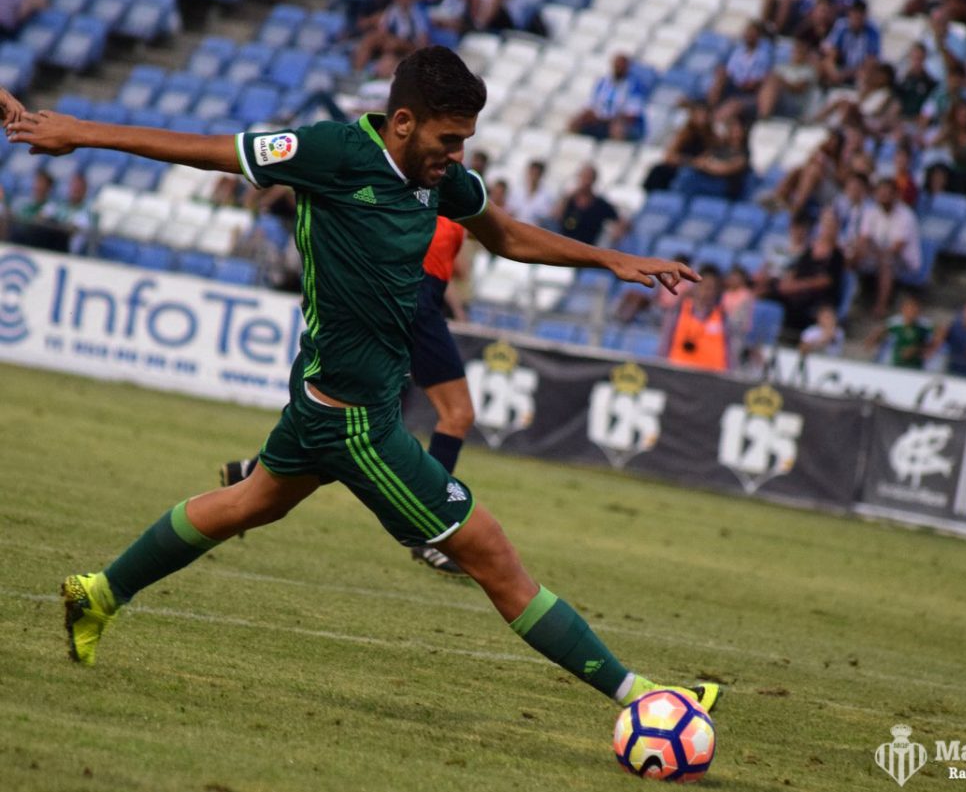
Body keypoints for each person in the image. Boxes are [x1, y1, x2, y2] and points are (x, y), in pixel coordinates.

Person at [5, 49, 718, 716]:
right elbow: (210, 150)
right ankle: (648, 699)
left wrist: (612, 259)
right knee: (493, 556)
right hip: (354, 420)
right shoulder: (333, 154)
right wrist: (79, 132)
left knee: (248, 500)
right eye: (448, 138)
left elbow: (506, 236)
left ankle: (97, 593)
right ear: (402, 122)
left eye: (466, 140)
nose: (458, 155)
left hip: (327, 395)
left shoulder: (442, 182)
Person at [220, 216, 476, 576]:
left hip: (416, 296)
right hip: (414, 298)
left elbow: (452, 266)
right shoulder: (433, 186)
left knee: (363, 425)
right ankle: (429, 535)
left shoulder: (433, 187)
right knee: (452, 414)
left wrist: (457, 305)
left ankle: (253, 470)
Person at [854, 177, 922, 317]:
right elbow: (864, 239)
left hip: (903, 261)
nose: (883, 196)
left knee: (887, 261)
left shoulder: (906, 215)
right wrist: (859, 252)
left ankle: (881, 306)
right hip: (877, 254)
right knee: (851, 255)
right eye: (880, 193)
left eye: (887, 193)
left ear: (895, 195)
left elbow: (896, 248)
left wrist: (875, 253)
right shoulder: (871, 212)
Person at [661, 264, 730, 372]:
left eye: (712, 288)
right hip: (677, 372)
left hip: (712, 378)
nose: (708, 292)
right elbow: (665, 343)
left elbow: (730, 352)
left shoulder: (724, 318)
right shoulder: (678, 311)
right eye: (705, 286)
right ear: (695, 287)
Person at [568, 54, 645, 142]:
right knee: (575, 122)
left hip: (618, 122)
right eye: (617, 64)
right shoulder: (602, 83)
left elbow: (632, 114)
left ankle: (613, 152)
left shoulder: (634, 86)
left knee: (617, 128)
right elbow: (590, 104)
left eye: (621, 65)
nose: (618, 67)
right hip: (599, 119)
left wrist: (611, 118)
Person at [554, 164, 620, 245]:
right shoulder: (569, 199)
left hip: (586, 250)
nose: (586, 181)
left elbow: (619, 220)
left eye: (589, 178)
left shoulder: (600, 205)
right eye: (583, 177)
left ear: (594, 180)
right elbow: (556, 216)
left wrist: (616, 232)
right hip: (563, 244)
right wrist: (567, 198)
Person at [867, 295, 932, 370]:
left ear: (918, 312)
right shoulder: (895, 322)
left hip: (916, 366)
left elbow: (938, 333)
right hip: (895, 362)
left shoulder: (924, 324)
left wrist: (921, 349)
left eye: (914, 310)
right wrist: (874, 340)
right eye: (908, 309)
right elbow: (881, 332)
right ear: (903, 310)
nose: (911, 313)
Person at [504, 160, 555, 228]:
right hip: (514, 228)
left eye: (537, 174)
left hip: (533, 231)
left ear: (541, 175)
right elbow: (509, 210)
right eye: (532, 173)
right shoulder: (516, 190)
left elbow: (544, 218)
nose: (533, 176)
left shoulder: (547, 196)